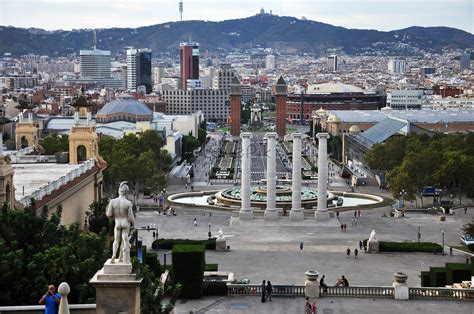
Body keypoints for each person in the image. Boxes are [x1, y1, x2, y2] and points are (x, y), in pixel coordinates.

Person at [106, 181, 135, 264]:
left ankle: (114, 255)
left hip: (117, 223)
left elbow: (109, 214)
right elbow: (130, 216)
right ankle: (124, 255)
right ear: (126, 192)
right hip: (125, 223)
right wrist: (134, 224)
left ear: (119, 191)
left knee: (116, 240)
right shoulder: (128, 203)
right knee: (124, 239)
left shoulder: (112, 201)